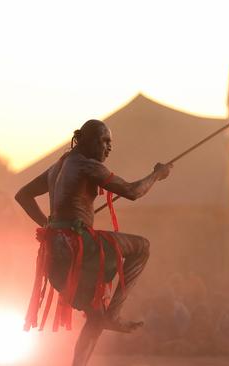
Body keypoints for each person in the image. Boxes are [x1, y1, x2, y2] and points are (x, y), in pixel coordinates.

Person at [15, 119, 172, 366]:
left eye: (111, 142)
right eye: (104, 141)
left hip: (54, 253)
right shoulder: (88, 165)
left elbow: (22, 195)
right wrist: (157, 175)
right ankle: (115, 314)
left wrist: (50, 225)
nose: (109, 148)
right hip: (76, 248)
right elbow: (132, 191)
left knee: (95, 317)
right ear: (84, 140)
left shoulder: (60, 165)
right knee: (142, 247)